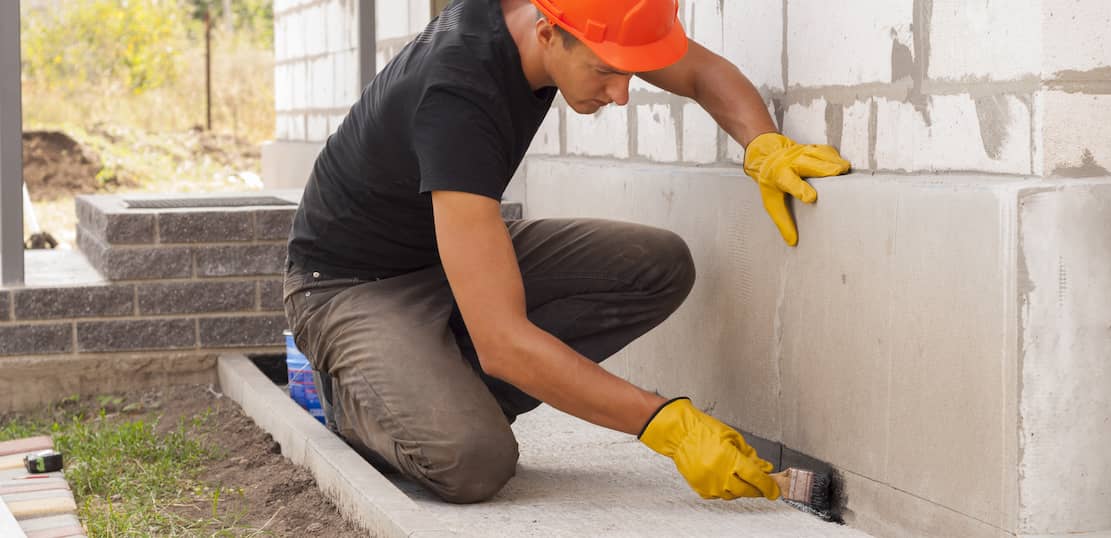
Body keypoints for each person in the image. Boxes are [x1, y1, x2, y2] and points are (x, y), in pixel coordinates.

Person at [283, 0, 850, 504]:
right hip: (348, 286)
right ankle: (361, 400)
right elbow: (503, 345)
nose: (622, 93)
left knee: (656, 266)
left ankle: (443, 384)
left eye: (628, 71)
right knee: (473, 462)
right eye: (606, 71)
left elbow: (700, 72)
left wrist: (763, 145)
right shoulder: (458, 94)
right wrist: (666, 425)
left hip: (443, 255)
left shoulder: (572, 18)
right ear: (548, 34)